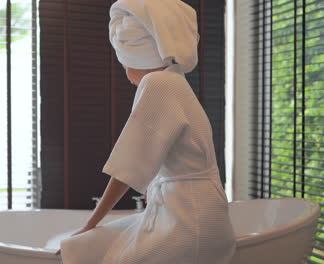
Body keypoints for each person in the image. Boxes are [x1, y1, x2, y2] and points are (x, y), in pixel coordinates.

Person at [55, 0, 237, 263]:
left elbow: (128, 168)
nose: (126, 73)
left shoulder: (158, 84)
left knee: (92, 247)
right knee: (88, 246)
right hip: (200, 212)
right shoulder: (176, 82)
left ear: (136, 57)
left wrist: (90, 223)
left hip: (188, 220)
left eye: (124, 62)